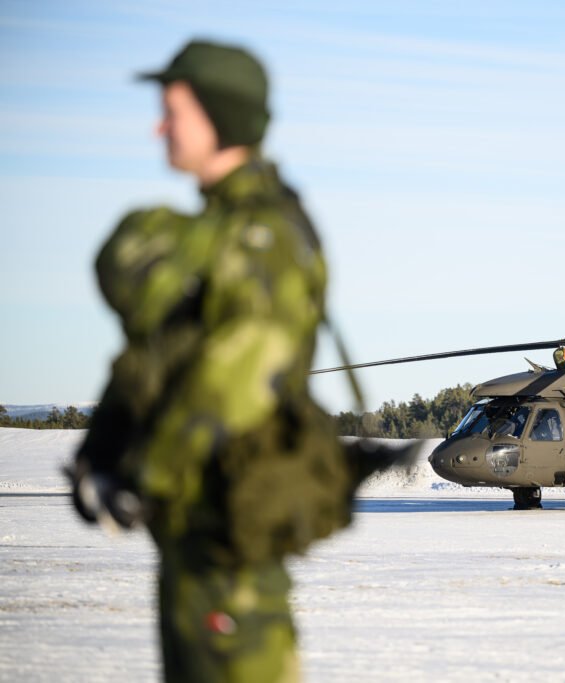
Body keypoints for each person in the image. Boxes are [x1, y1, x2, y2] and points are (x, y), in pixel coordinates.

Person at [67, 40, 395, 682]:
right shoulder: (222, 231)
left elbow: (236, 376)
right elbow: (164, 356)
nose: (159, 127)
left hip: (229, 547)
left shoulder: (260, 235)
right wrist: (104, 450)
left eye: (174, 112)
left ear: (220, 117)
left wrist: (145, 475)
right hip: (198, 537)